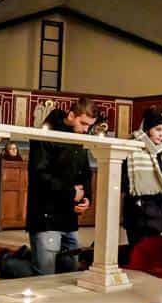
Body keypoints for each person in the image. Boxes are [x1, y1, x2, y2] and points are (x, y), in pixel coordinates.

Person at [8, 98, 96, 276]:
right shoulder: (45, 134)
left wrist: (86, 198)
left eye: (89, 126)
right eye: (83, 123)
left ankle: (26, 256)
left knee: (71, 270)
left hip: (69, 217)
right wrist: (70, 193)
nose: (86, 130)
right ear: (71, 115)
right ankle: (6, 262)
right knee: (44, 273)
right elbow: (40, 175)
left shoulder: (78, 137)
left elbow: (85, 172)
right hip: (46, 217)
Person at [120, 109, 162, 265]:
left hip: (157, 208)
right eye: (157, 129)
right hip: (138, 208)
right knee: (137, 249)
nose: (161, 134)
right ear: (147, 128)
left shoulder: (161, 151)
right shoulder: (132, 148)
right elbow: (125, 179)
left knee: (153, 250)